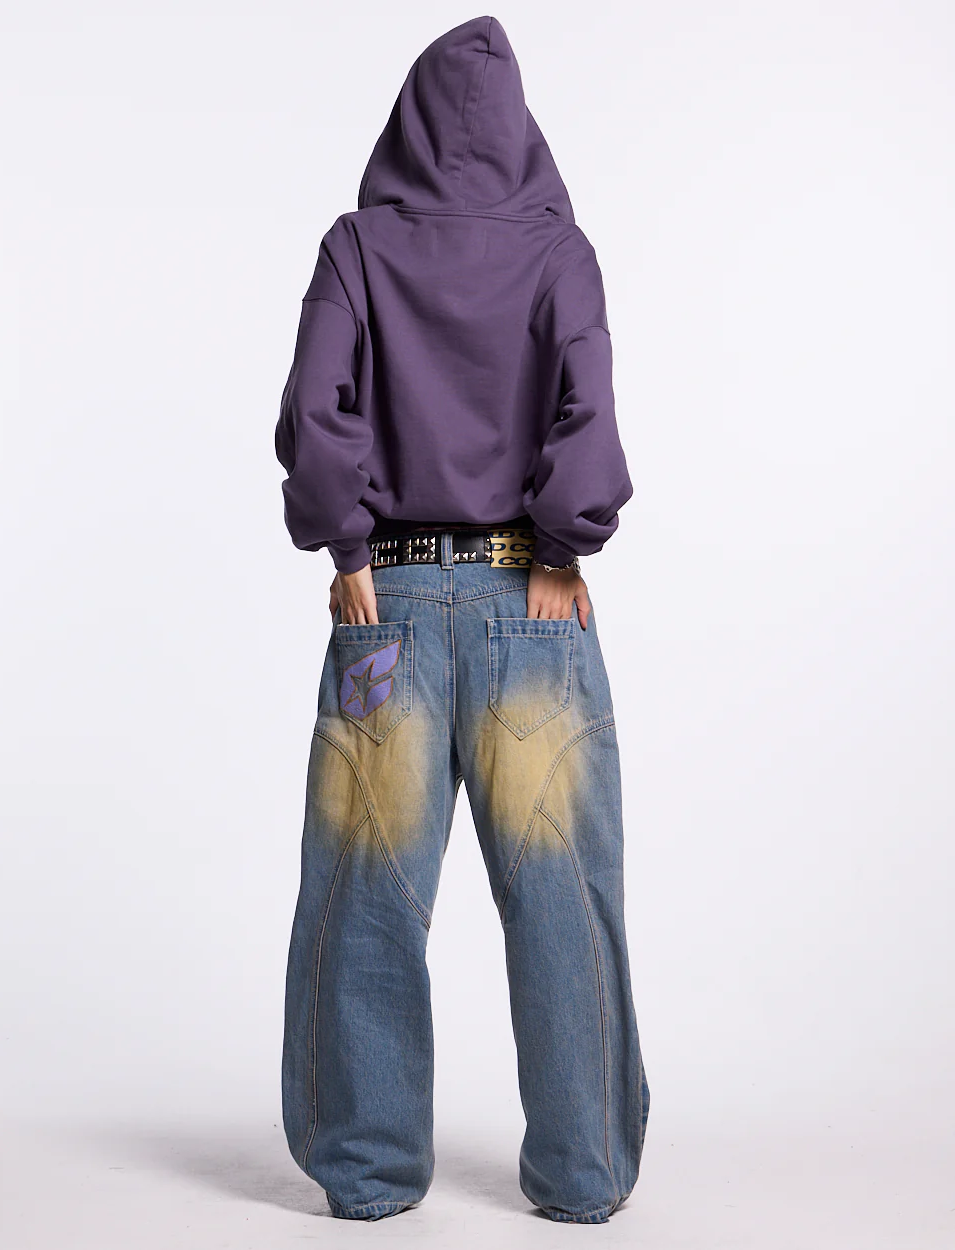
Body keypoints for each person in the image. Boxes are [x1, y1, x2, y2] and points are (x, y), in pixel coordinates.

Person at [274, 14, 650, 1225]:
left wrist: (347, 545)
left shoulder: (356, 247)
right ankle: (582, 1173)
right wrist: (561, 547)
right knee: (562, 893)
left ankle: (368, 1172)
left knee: (364, 890)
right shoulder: (559, 253)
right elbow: (588, 409)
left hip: (382, 605)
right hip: (529, 605)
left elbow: (316, 408)